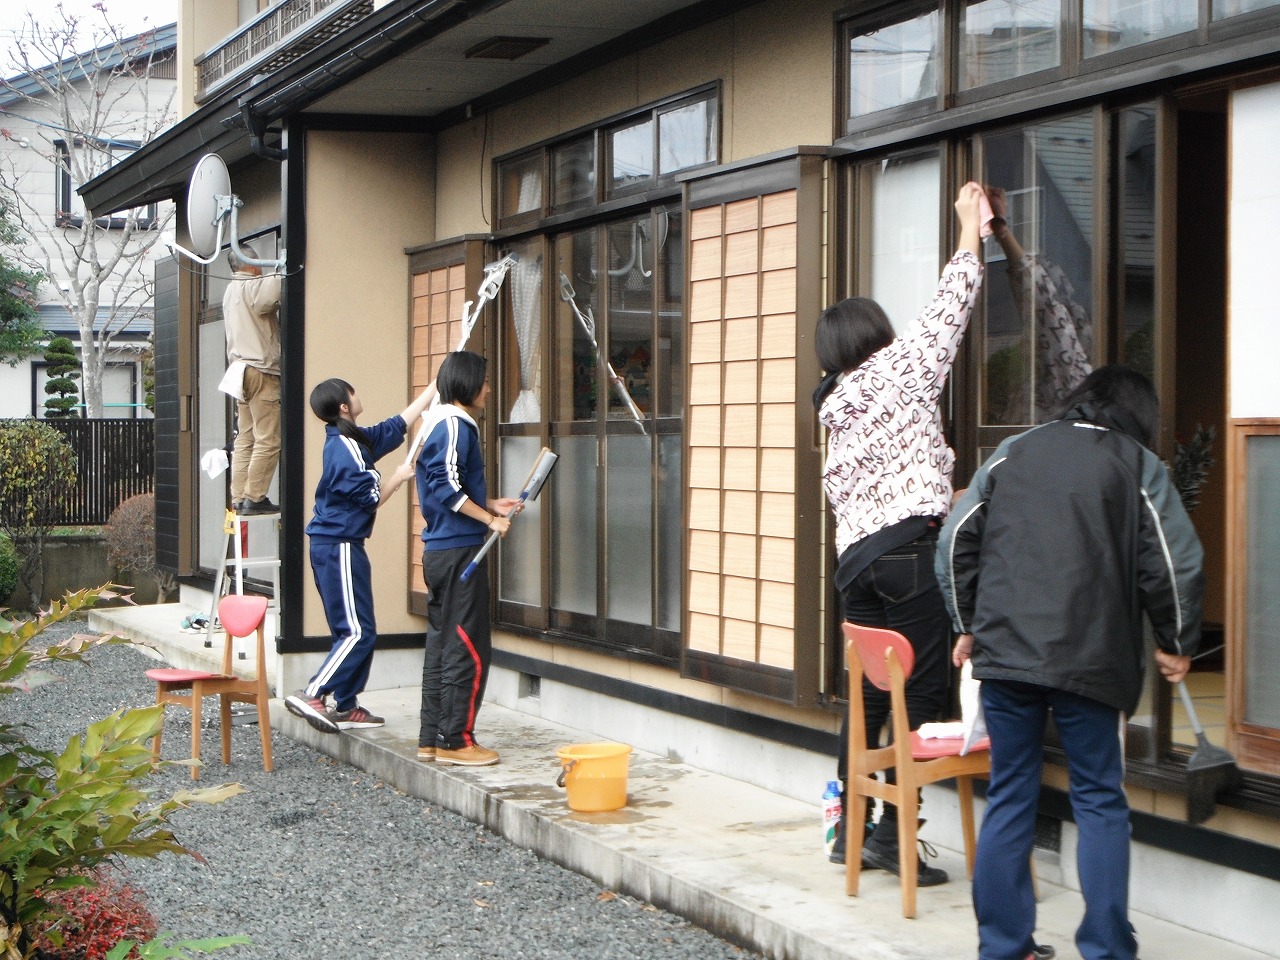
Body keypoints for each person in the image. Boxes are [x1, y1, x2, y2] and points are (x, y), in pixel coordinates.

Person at [936, 365, 1204, 960]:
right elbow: (1173, 560)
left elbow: (955, 538)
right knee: (1099, 800)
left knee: (1010, 794)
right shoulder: (1136, 464)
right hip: (1093, 659)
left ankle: (1004, 948)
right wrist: (1176, 640)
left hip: (1006, 657)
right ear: (1139, 415)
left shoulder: (1012, 453)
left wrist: (967, 622)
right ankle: (1106, 949)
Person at [814, 182, 986, 883]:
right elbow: (954, 301)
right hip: (911, 558)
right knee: (922, 697)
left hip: (855, 566)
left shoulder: (835, 404)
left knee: (868, 697)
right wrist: (970, 225)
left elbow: (887, 477)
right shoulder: (900, 372)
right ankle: (891, 837)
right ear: (877, 338)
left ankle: (850, 830)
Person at [284, 378, 436, 734]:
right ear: (343, 405)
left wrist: (433, 389)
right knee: (357, 632)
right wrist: (398, 478)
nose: (358, 394)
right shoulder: (346, 450)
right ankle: (314, 692)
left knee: (354, 630)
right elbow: (369, 498)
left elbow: (395, 426)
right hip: (339, 545)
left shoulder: (352, 440)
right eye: (353, 391)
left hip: (335, 544)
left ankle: (347, 704)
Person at [415, 350, 517, 767]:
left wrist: (489, 503)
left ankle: (432, 738)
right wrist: (488, 519)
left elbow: (449, 485)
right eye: (485, 381)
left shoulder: (438, 422)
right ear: (467, 385)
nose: (489, 388)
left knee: (442, 644)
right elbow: (444, 485)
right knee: (467, 645)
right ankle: (456, 740)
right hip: (460, 553)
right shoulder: (456, 423)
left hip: (442, 550)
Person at [223, 243, 282, 515]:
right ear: (250, 264)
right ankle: (255, 496)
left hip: (238, 372)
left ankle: (238, 496)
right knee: (268, 437)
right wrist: (282, 264)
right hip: (260, 369)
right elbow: (271, 294)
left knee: (245, 436)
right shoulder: (251, 287)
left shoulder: (229, 291)